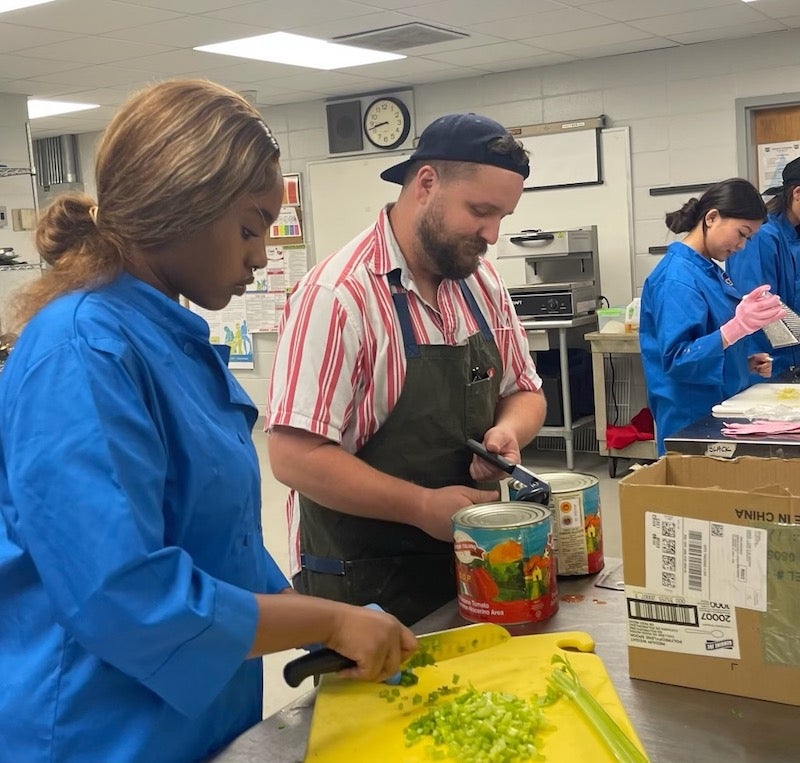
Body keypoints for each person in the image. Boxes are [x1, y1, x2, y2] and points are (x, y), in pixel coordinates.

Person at [0, 79, 416, 763]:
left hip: (194, 721)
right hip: (96, 727)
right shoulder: (82, 348)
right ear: (180, 205)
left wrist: (321, 628)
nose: (259, 254)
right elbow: (123, 594)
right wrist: (326, 614)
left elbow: (225, 549)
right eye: (250, 227)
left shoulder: (172, 336)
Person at [266, 113, 547, 625]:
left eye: (502, 216)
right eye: (481, 211)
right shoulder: (339, 295)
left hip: (471, 565)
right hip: (363, 584)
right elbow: (293, 457)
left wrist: (506, 431)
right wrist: (421, 506)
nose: (493, 234)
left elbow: (525, 390)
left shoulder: (481, 286)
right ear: (425, 184)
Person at [640, 178, 786, 454]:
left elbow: (707, 339)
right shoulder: (677, 278)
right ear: (712, 218)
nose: (742, 246)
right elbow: (679, 359)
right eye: (741, 234)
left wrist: (741, 362)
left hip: (715, 411)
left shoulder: (707, 270)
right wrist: (735, 329)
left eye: (748, 238)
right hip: (690, 418)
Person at [727, 156, 800, 376]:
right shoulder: (761, 236)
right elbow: (757, 304)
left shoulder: (793, 233)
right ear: (797, 193)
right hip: (767, 361)